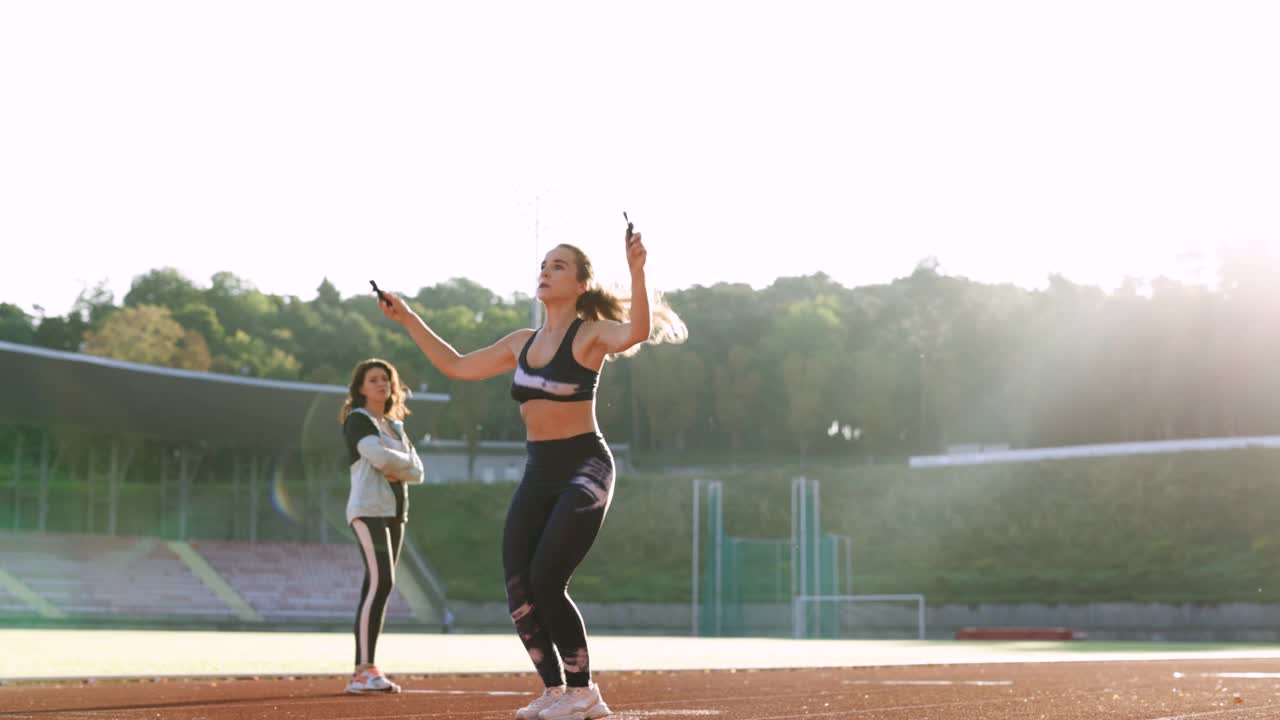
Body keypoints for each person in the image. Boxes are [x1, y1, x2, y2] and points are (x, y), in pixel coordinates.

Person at [378, 222, 685, 720]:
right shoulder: (520, 342)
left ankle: (584, 691)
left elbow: (636, 332)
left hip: (584, 465)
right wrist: (408, 317)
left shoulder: (588, 336)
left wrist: (636, 271)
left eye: (558, 265)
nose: (546, 272)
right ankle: (555, 690)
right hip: (538, 470)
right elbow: (456, 365)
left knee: (547, 578)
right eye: (543, 265)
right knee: (518, 585)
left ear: (581, 284)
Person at [339, 358, 425, 694]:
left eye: (386, 379)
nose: (382, 385)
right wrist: (399, 463)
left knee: (377, 587)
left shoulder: (395, 427)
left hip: (395, 512)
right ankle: (363, 670)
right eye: (373, 380)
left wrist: (398, 465)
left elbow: (418, 471)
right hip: (368, 509)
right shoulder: (357, 420)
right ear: (360, 388)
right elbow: (378, 459)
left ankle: (365, 667)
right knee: (383, 582)